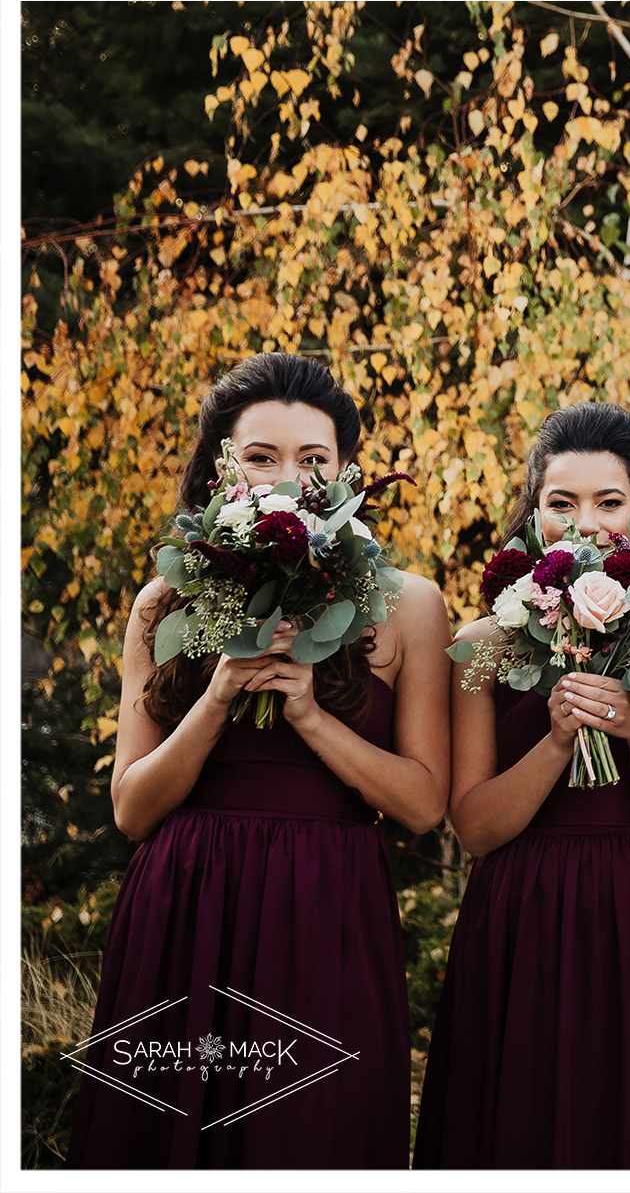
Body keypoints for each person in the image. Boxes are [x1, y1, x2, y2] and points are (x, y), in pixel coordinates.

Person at [71, 352, 451, 1167]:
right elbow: (132, 809)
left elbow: (423, 805)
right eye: (261, 456)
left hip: (329, 908)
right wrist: (216, 699)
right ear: (221, 470)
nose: (289, 478)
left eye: (314, 459)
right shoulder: (163, 602)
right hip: (188, 903)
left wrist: (311, 716)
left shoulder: (410, 605)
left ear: (346, 472)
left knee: (315, 1136)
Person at [413, 403, 630, 1167]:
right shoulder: (482, 643)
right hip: (521, 915)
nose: (584, 523)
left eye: (608, 503)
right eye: (561, 503)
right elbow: (476, 827)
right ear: (534, 511)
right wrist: (557, 739)